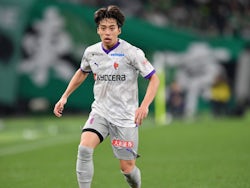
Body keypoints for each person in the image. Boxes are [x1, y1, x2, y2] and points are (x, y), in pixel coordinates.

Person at [53, 5, 159, 188]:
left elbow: (154, 79)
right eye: (103, 28)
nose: (107, 32)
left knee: (127, 169)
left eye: (111, 28)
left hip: (125, 117)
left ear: (119, 29)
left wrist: (144, 106)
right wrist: (64, 96)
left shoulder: (131, 52)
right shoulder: (91, 52)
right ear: (98, 30)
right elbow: (82, 72)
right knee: (84, 148)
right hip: (101, 111)